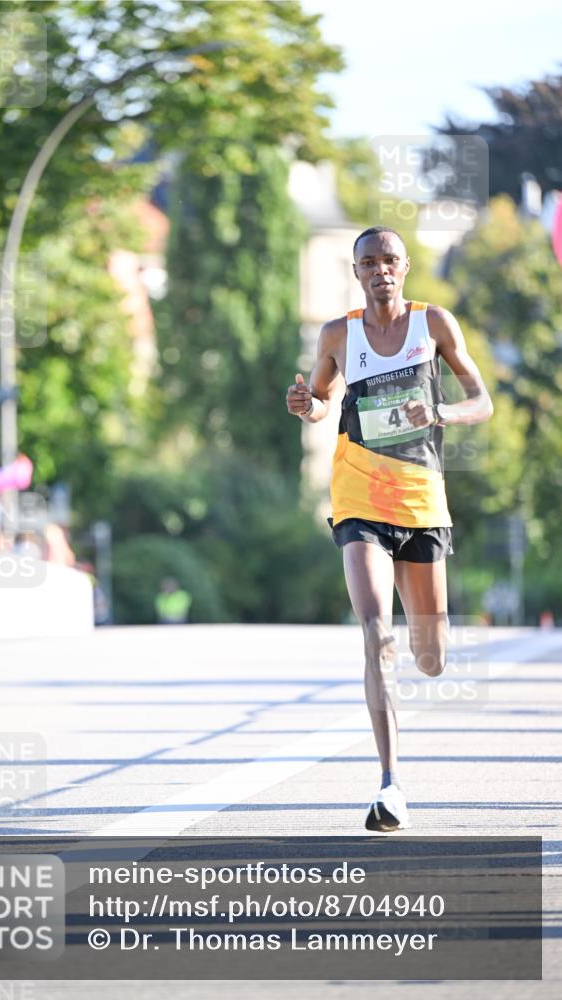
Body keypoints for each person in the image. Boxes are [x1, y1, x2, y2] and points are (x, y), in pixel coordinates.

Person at [286, 226, 493, 832]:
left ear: (405, 268)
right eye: (369, 262)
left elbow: (482, 398)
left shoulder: (435, 326)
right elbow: (321, 400)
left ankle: (421, 663)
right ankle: (390, 783)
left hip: (422, 499)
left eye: (390, 261)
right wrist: (308, 405)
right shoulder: (337, 335)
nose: (380, 270)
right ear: (356, 272)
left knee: (429, 657)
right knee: (376, 631)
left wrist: (444, 411)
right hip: (358, 496)